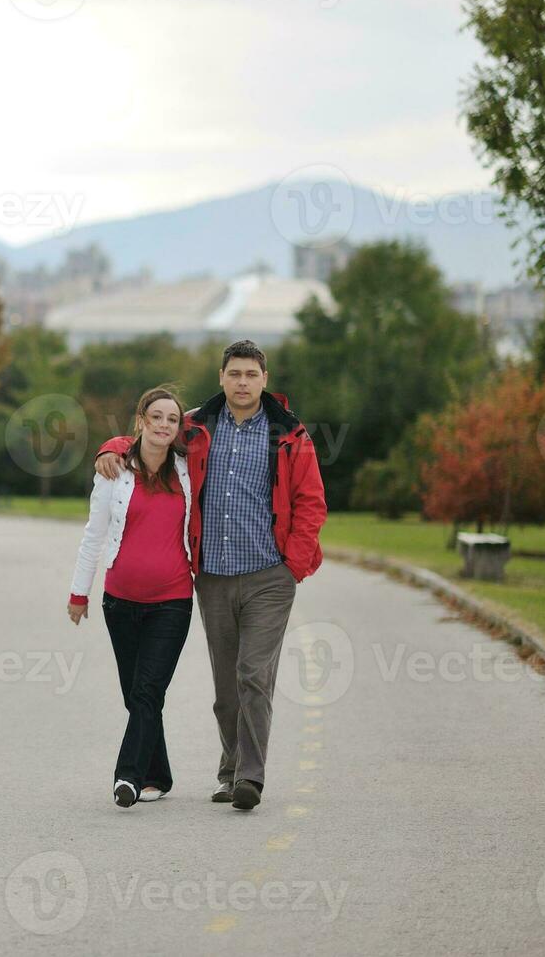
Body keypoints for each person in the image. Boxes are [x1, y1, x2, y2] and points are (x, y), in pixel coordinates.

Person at [94, 340, 327, 811]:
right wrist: (112, 446)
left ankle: (250, 778)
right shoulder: (197, 427)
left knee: (253, 676)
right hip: (213, 577)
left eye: (251, 375)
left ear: (265, 380)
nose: (243, 382)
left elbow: (311, 504)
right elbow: (150, 438)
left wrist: (291, 568)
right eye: (234, 373)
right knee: (226, 687)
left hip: (268, 576)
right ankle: (228, 771)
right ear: (221, 377)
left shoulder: (290, 435)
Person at [67, 385, 194, 809]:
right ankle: (159, 774)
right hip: (119, 603)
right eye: (155, 417)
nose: (163, 425)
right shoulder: (114, 472)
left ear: (179, 428)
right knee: (135, 693)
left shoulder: (189, 469)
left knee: (146, 691)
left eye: (172, 419)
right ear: (140, 421)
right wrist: (78, 593)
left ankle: (128, 777)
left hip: (173, 601)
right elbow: (94, 534)